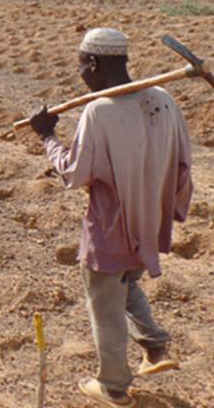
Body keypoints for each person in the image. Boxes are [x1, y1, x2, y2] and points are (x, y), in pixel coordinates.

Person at [28, 28, 193, 408]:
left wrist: (47, 137)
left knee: (104, 302)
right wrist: (167, 207)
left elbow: (74, 172)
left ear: (94, 63)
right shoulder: (165, 99)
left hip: (111, 228)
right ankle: (156, 348)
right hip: (149, 220)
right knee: (125, 283)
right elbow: (184, 166)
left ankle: (113, 386)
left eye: (81, 66)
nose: (81, 75)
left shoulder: (98, 111)